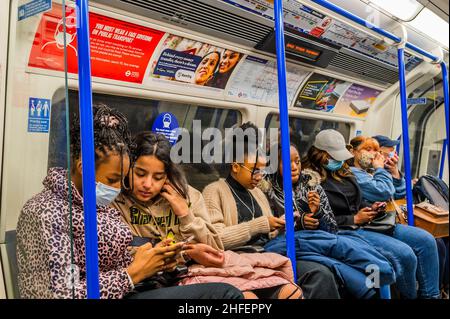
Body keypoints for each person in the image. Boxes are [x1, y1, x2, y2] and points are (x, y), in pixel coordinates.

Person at [16, 104, 243, 299]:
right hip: (124, 290)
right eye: (113, 179)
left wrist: (160, 256)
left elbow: (110, 258)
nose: (117, 189)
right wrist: (133, 273)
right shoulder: (46, 212)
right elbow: (62, 292)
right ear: (82, 167)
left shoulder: (93, 204)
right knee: (226, 295)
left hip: (132, 287)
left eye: (121, 180)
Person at [203, 122, 341, 299]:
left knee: (321, 273)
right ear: (235, 166)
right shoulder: (214, 191)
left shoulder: (258, 193)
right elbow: (215, 240)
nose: (259, 177)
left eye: (262, 171)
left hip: (267, 255)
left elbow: (269, 233)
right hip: (237, 259)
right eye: (254, 171)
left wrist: (280, 226)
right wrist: (261, 225)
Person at [302, 129, 440, 299]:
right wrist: (354, 218)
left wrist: (371, 207)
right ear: (321, 154)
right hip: (345, 230)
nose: (340, 160)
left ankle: (431, 296)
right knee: (405, 254)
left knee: (426, 240)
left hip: (369, 222)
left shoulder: (344, 171)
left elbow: (357, 200)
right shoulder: (310, 181)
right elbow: (320, 220)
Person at [262, 142, 395, 299]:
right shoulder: (266, 191)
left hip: (320, 240)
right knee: (338, 268)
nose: (294, 167)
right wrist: (300, 223)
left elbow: (331, 228)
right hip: (289, 245)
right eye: (287, 162)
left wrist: (318, 213)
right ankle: (376, 280)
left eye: (297, 161)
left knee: (367, 257)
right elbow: (267, 229)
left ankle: (379, 280)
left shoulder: (313, 186)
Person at [112, 131, 222, 250]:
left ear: (167, 176)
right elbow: (117, 253)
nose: (148, 184)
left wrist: (186, 215)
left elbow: (216, 249)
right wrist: (184, 254)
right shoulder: (116, 199)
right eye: (140, 174)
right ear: (127, 169)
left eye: (158, 177)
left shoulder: (188, 196)